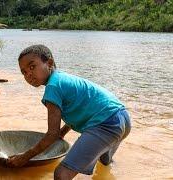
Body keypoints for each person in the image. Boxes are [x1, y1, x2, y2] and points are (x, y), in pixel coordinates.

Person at [7, 44, 131, 180]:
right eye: (24, 72)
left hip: (107, 124)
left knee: (61, 174)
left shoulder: (53, 87)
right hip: (122, 118)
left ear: (49, 63)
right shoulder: (61, 78)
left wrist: (24, 157)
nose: (28, 74)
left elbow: (51, 135)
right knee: (105, 162)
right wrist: (64, 131)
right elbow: (80, 108)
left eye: (32, 67)